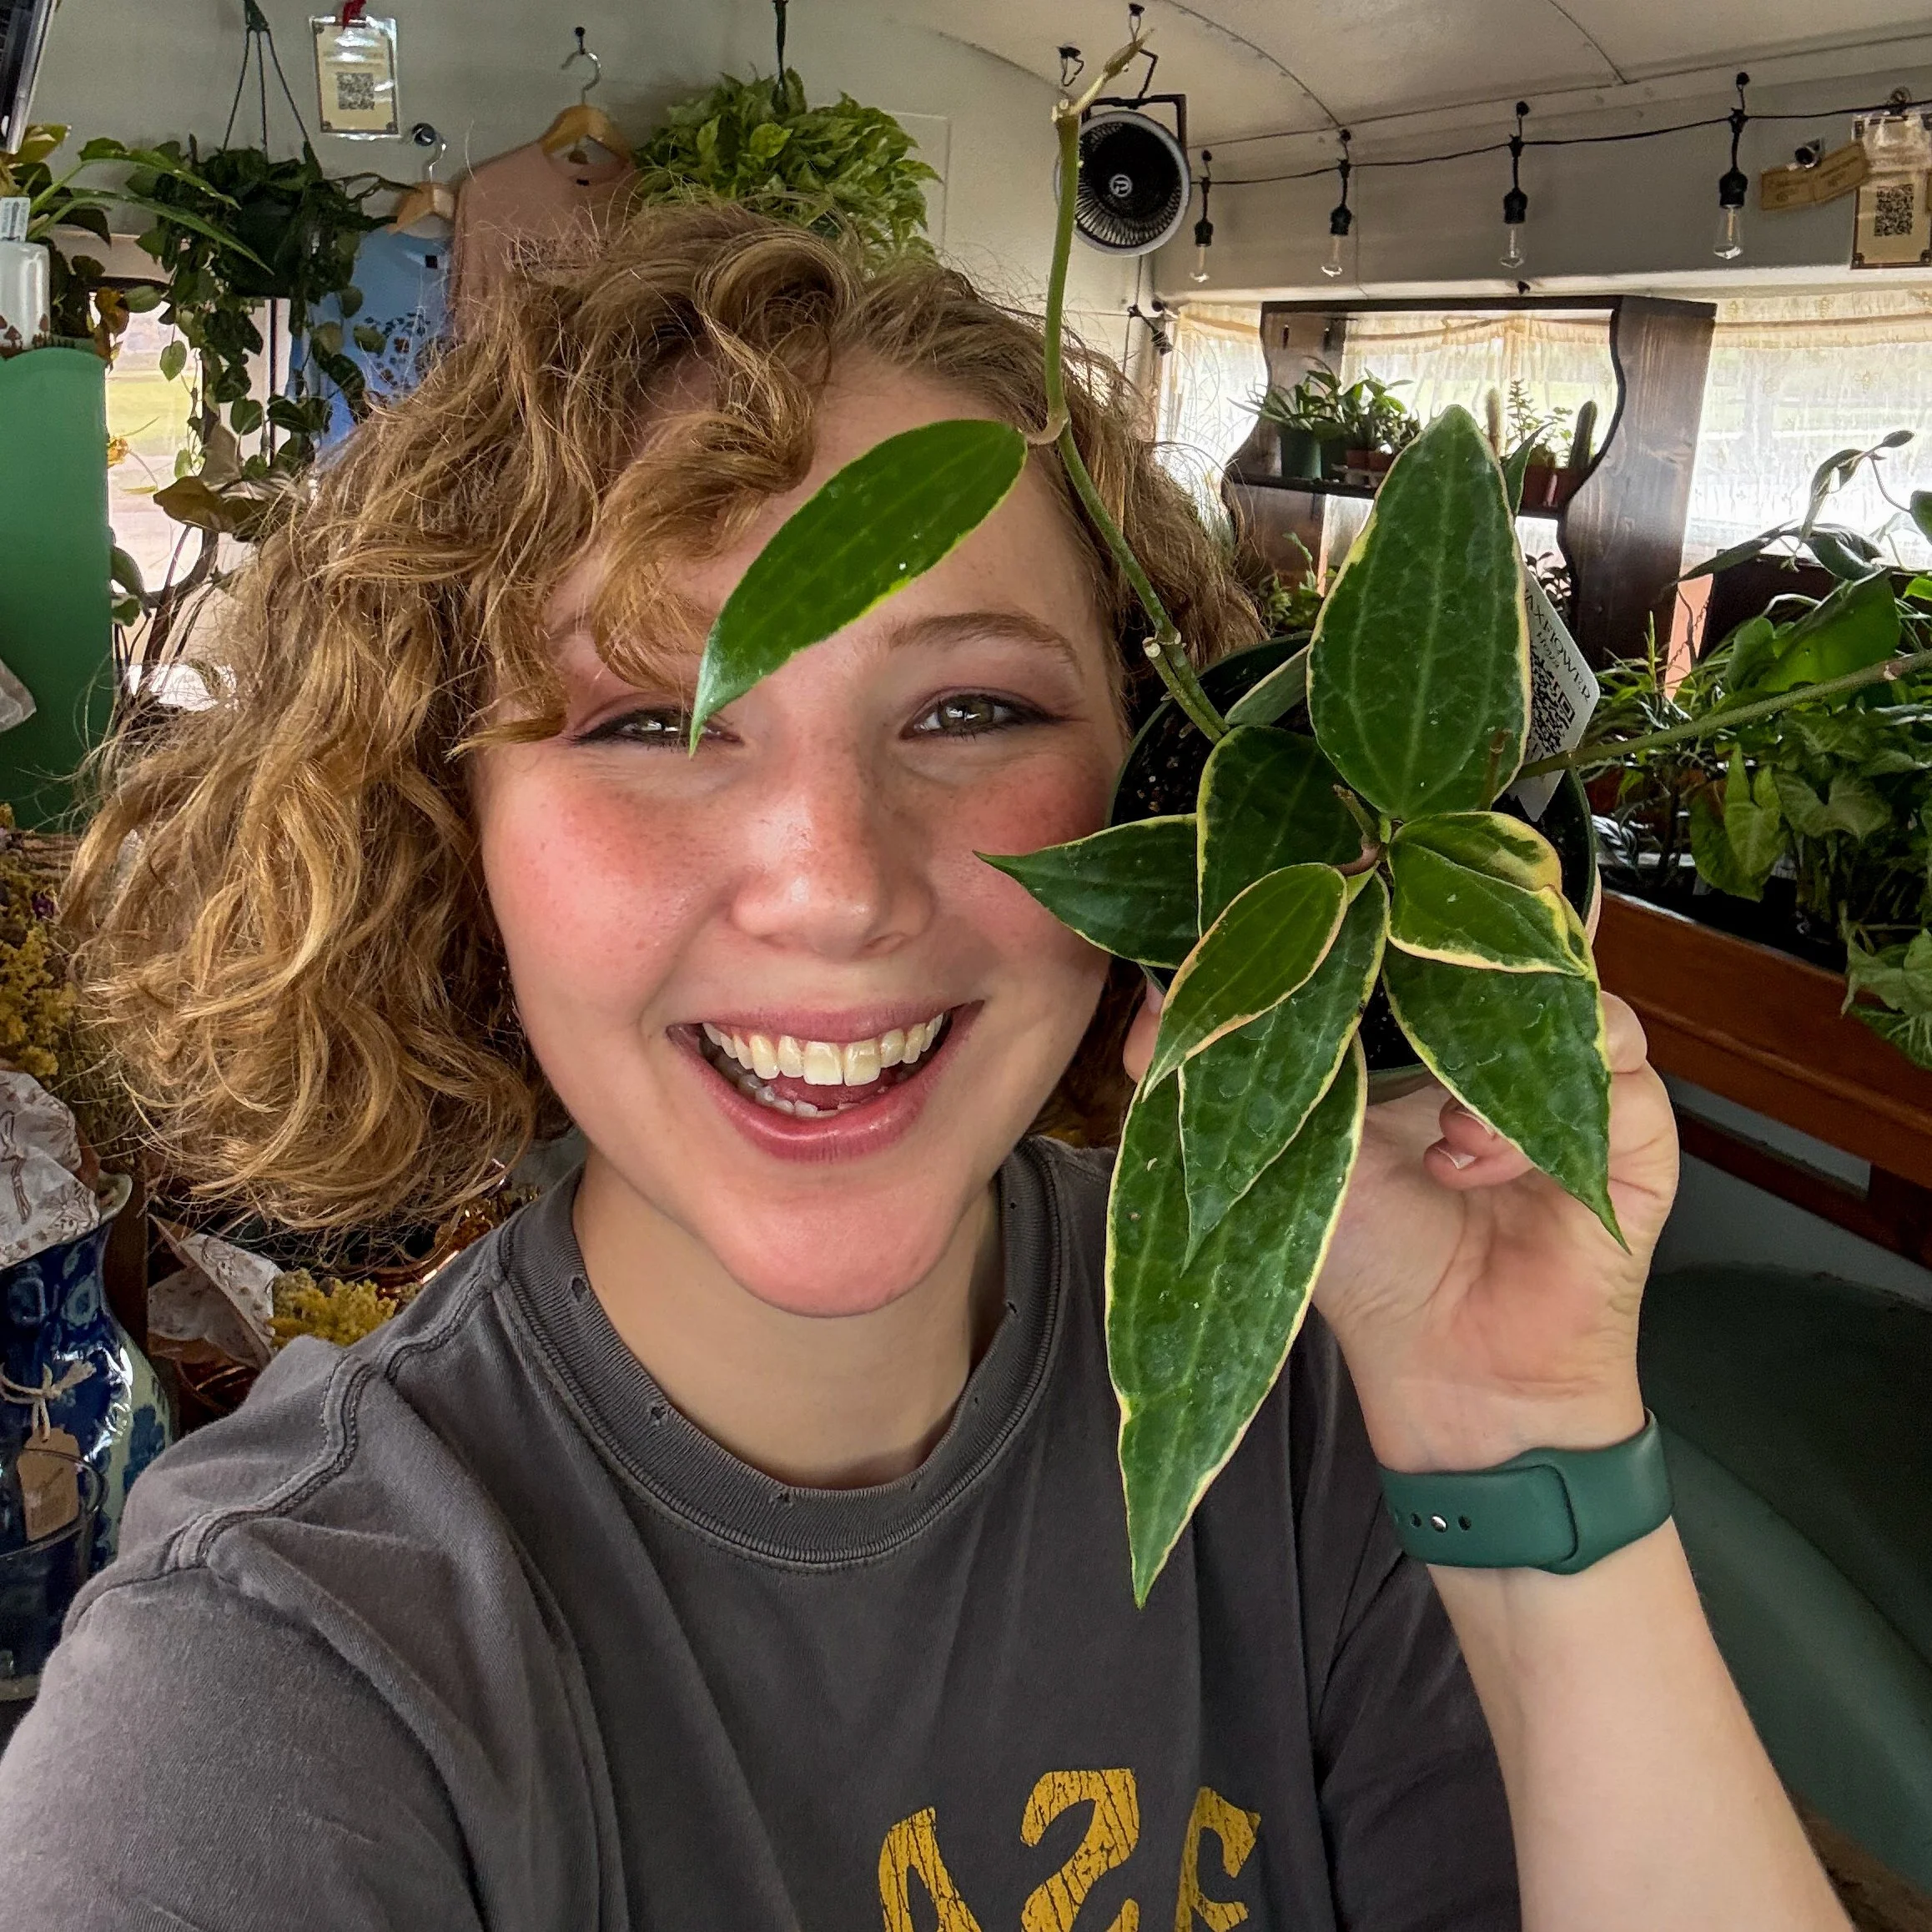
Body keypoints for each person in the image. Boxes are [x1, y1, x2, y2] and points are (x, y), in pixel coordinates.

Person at [0, 205, 1846, 1931]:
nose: (834, 886)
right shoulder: (275, 1684)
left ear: (1169, 792)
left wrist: (1513, 1434)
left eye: (973, 708)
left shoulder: (1303, 1413)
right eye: (656, 721)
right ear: (443, 825)